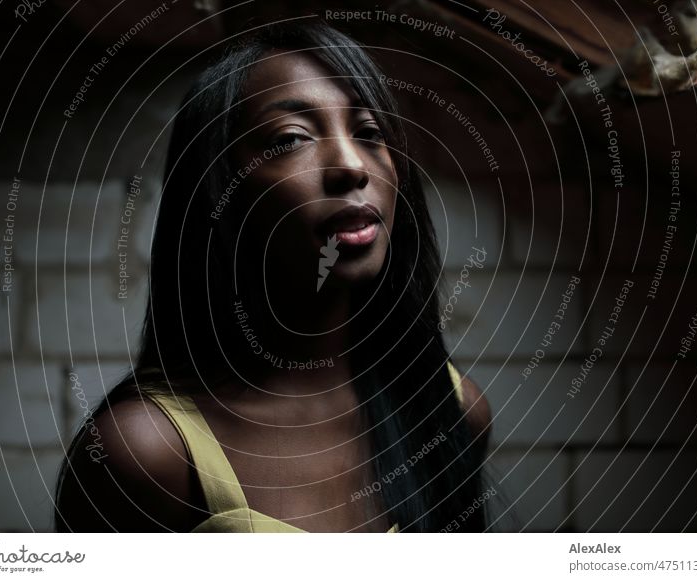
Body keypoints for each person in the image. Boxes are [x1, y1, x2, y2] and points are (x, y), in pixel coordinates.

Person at [55, 20, 491, 533]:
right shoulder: (145, 455)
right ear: (219, 193)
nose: (353, 166)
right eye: (292, 138)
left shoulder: (451, 408)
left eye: (370, 133)